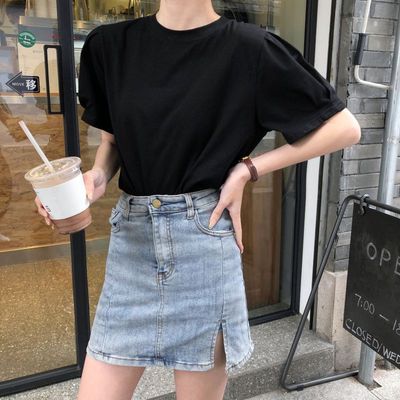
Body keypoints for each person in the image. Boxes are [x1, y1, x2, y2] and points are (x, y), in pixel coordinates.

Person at [35, 1, 361, 399]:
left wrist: (247, 169)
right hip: (133, 246)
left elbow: (344, 128)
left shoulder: (251, 49)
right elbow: (113, 142)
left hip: (203, 244)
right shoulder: (111, 45)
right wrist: (98, 176)